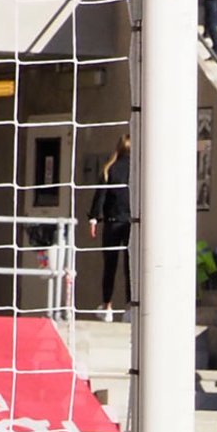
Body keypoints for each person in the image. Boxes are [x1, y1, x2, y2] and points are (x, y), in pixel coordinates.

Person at [88, 133, 132, 318]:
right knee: (131, 267)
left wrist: (94, 218)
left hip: (112, 222)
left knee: (109, 266)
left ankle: (107, 307)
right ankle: (130, 307)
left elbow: (101, 196)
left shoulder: (109, 169)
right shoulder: (138, 170)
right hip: (131, 222)